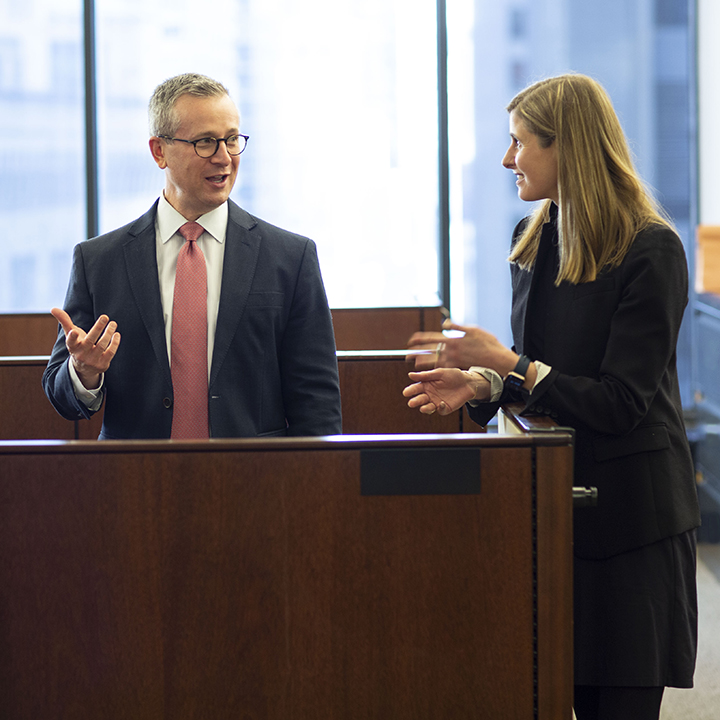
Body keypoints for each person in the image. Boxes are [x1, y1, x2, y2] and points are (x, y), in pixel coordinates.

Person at [403, 74, 700, 720]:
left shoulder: (652, 249)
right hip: (552, 518)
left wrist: (508, 364)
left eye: (519, 143)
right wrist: (482, 383)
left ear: (568, 147)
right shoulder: (534, 235)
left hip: (631, 529)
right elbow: (547, 377)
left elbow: (620, 402)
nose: (508, 160)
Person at [43, 73, 342, 440]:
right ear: (159, 151)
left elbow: (317, 402)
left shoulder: (291, 258)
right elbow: (61, 397)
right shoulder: (99, 261)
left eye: (232, 140)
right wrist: (84, 373)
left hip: (256, 482)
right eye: (205, 142)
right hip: (134, 482)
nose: (225, 158)